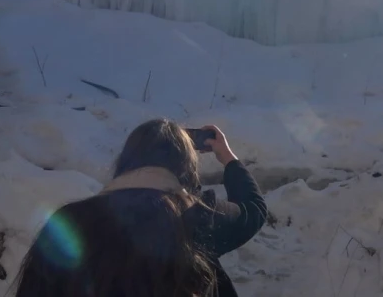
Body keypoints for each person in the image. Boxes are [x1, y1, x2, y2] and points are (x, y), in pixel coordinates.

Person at [13, 119, 267, 297]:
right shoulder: (196, 216)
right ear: (186, 169)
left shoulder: (70, 219)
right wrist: (228, 157)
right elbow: (253, 209)